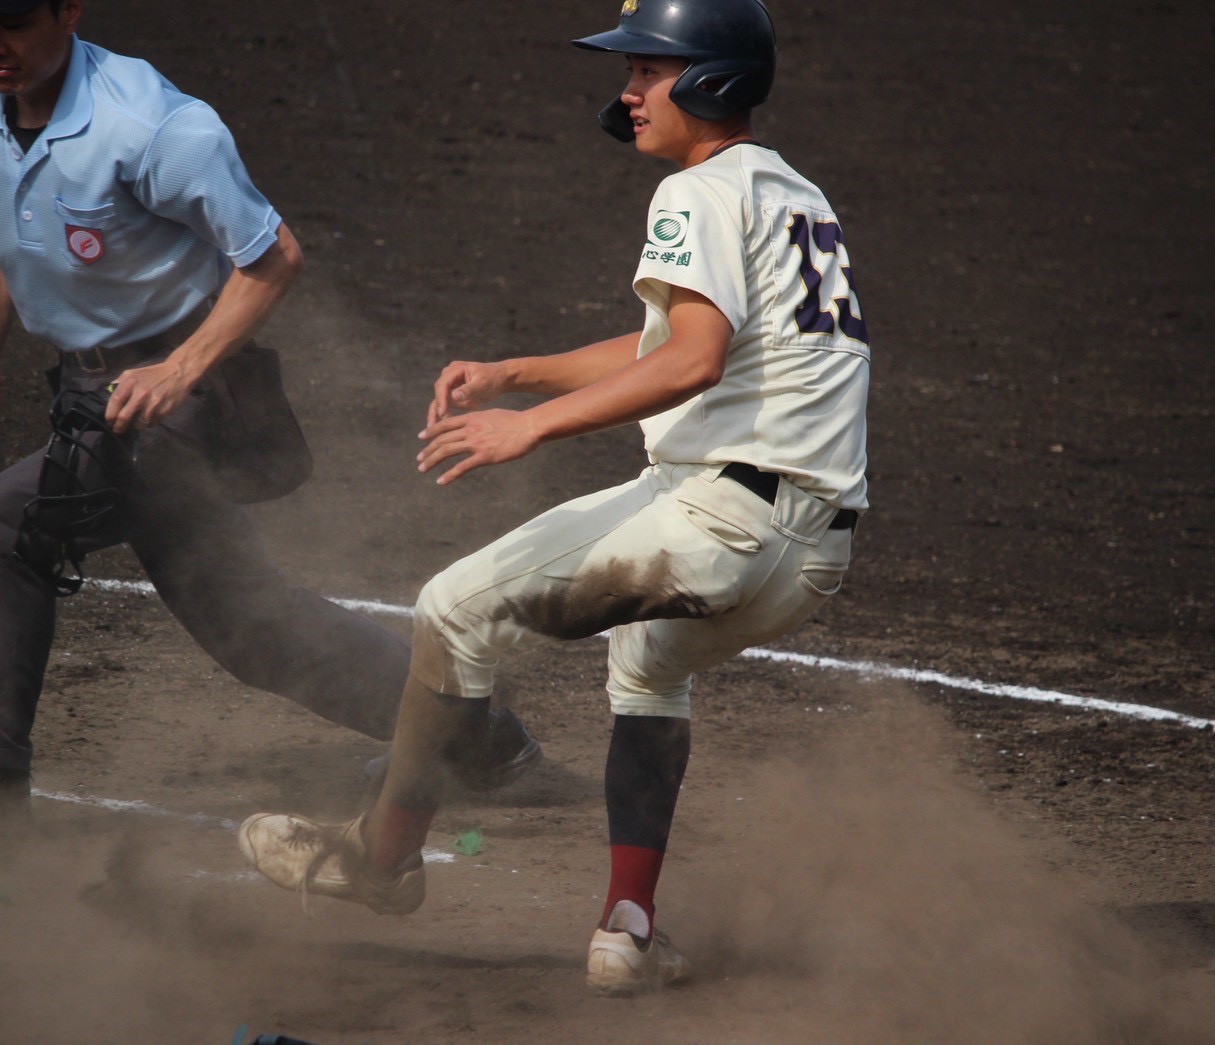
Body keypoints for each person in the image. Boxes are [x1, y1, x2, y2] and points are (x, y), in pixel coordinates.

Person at [237, 0, 871, 996]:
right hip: (809, 550)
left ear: (711, 80)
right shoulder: (789, 192)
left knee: (449, 610)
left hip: (721, 520)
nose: (625, 93)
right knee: (650, 665)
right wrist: (517, 372)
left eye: (646, 72)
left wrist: (526, 427)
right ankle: (627, 931)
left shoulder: (695, 194)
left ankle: (381, 859)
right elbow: (679, 344)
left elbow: (694, 360)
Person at [0, 0, 540, 839]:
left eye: (16, 23)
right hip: (88, 391)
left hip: (198, 392)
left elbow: (273, 254)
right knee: (247, 621)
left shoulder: (155, 127)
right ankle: (479, 741)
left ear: (69, 11)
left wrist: (179, 368)